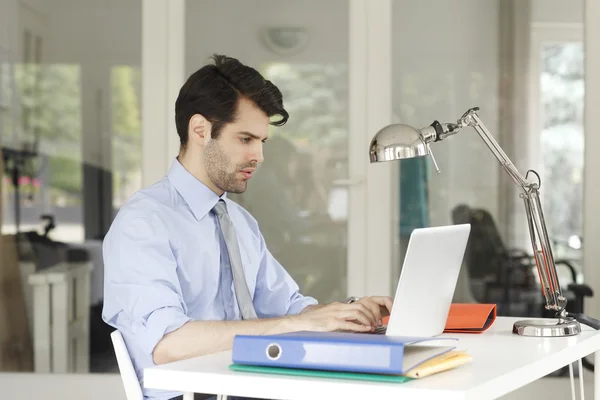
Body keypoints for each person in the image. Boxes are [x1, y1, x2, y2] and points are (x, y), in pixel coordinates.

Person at [102, 54, 393, 400]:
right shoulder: (144, 223)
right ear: (200, 130)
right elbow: (165, 344)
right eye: (245, 139)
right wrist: (296, 324)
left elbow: (289, 307)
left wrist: (345, 313)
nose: (259, 156)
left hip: (251, 388)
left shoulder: (238, 222)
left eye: (262, 142)